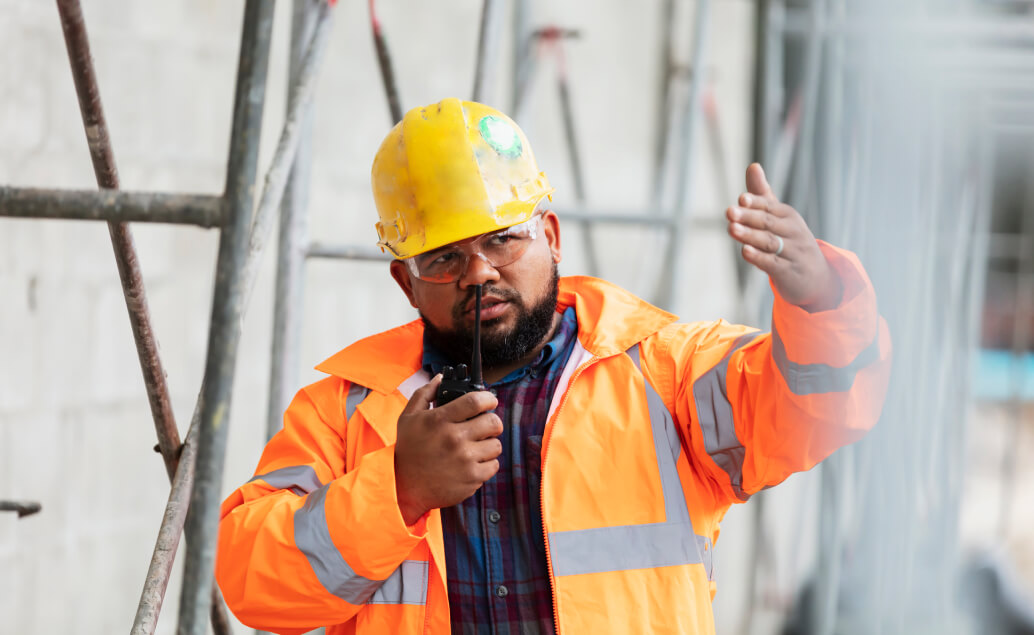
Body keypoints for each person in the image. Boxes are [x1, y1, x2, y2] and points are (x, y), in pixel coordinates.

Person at [215, 98, 892, 635]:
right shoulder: (347, 410)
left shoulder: (663, 373)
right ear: (405, 280)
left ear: (552, 238)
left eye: (503, 239)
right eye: (444, 257)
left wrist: (821, 300)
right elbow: (250, 580)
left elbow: (820, 411)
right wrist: (398, 488)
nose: (479, 272)